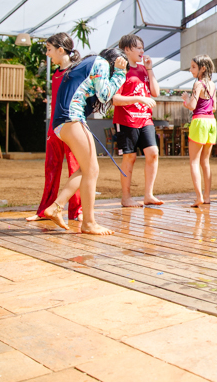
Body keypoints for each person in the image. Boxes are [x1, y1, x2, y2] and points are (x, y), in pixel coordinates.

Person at [41, 47, 127, 235]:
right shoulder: (101, 63)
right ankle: (88, 223)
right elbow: (105, 94)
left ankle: (56, 207)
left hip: (64, 121)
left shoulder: (88, 63)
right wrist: (120, 74)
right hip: (71, 118)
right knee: (92, 170)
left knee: (88, 169)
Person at [28, 33, 82, 223]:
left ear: (60, 50)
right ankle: (44, 211)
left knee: (75, 167)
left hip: (72, 126)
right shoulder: (56, 73)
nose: (47, 53)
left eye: (49, 49)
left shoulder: (77, 71)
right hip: (54, 127)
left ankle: (76, 211)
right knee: (51, 167)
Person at [112, 35, 163, 207]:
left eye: (142, 47)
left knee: (153, 152)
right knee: (130, 157)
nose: (142, 51)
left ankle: (149, 195)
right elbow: (115, 99)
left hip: (145, 119)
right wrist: (139, 99)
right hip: (126, 120)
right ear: (127, 50)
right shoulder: (121, 70)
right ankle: (126, 197)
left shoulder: (143, 69)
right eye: (138, 48)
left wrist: (150, 69)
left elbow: (155, 92)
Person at [182, 55, 217, 207]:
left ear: (202, 68)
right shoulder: (213, 85)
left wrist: (186, 99)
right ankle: (207, 196)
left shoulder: (198, 84)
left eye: (193, 67)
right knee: (205, 162)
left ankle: (198, 197)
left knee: (194, 162)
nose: (191, 70)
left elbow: (192, 106)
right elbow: (214, 107)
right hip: (211, 122)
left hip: (199, 122)